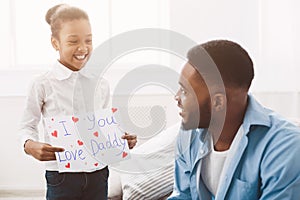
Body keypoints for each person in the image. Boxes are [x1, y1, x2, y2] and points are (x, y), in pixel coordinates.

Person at [19, 4, 137, 200]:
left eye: (88, 40)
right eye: (73, 41)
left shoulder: (101, 84)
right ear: (55, 43)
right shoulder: (43, 84)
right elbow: (26, 126)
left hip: (99, 173)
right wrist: (29, 145)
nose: (83, 48)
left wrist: (122, 139)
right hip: (61, 175)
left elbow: (104, 125)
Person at [168, 39, 300, 199]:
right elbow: (183, 195)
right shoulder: (189, 135)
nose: (177, 97)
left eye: (185, 91)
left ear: (218, 102)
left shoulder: (286, 148)